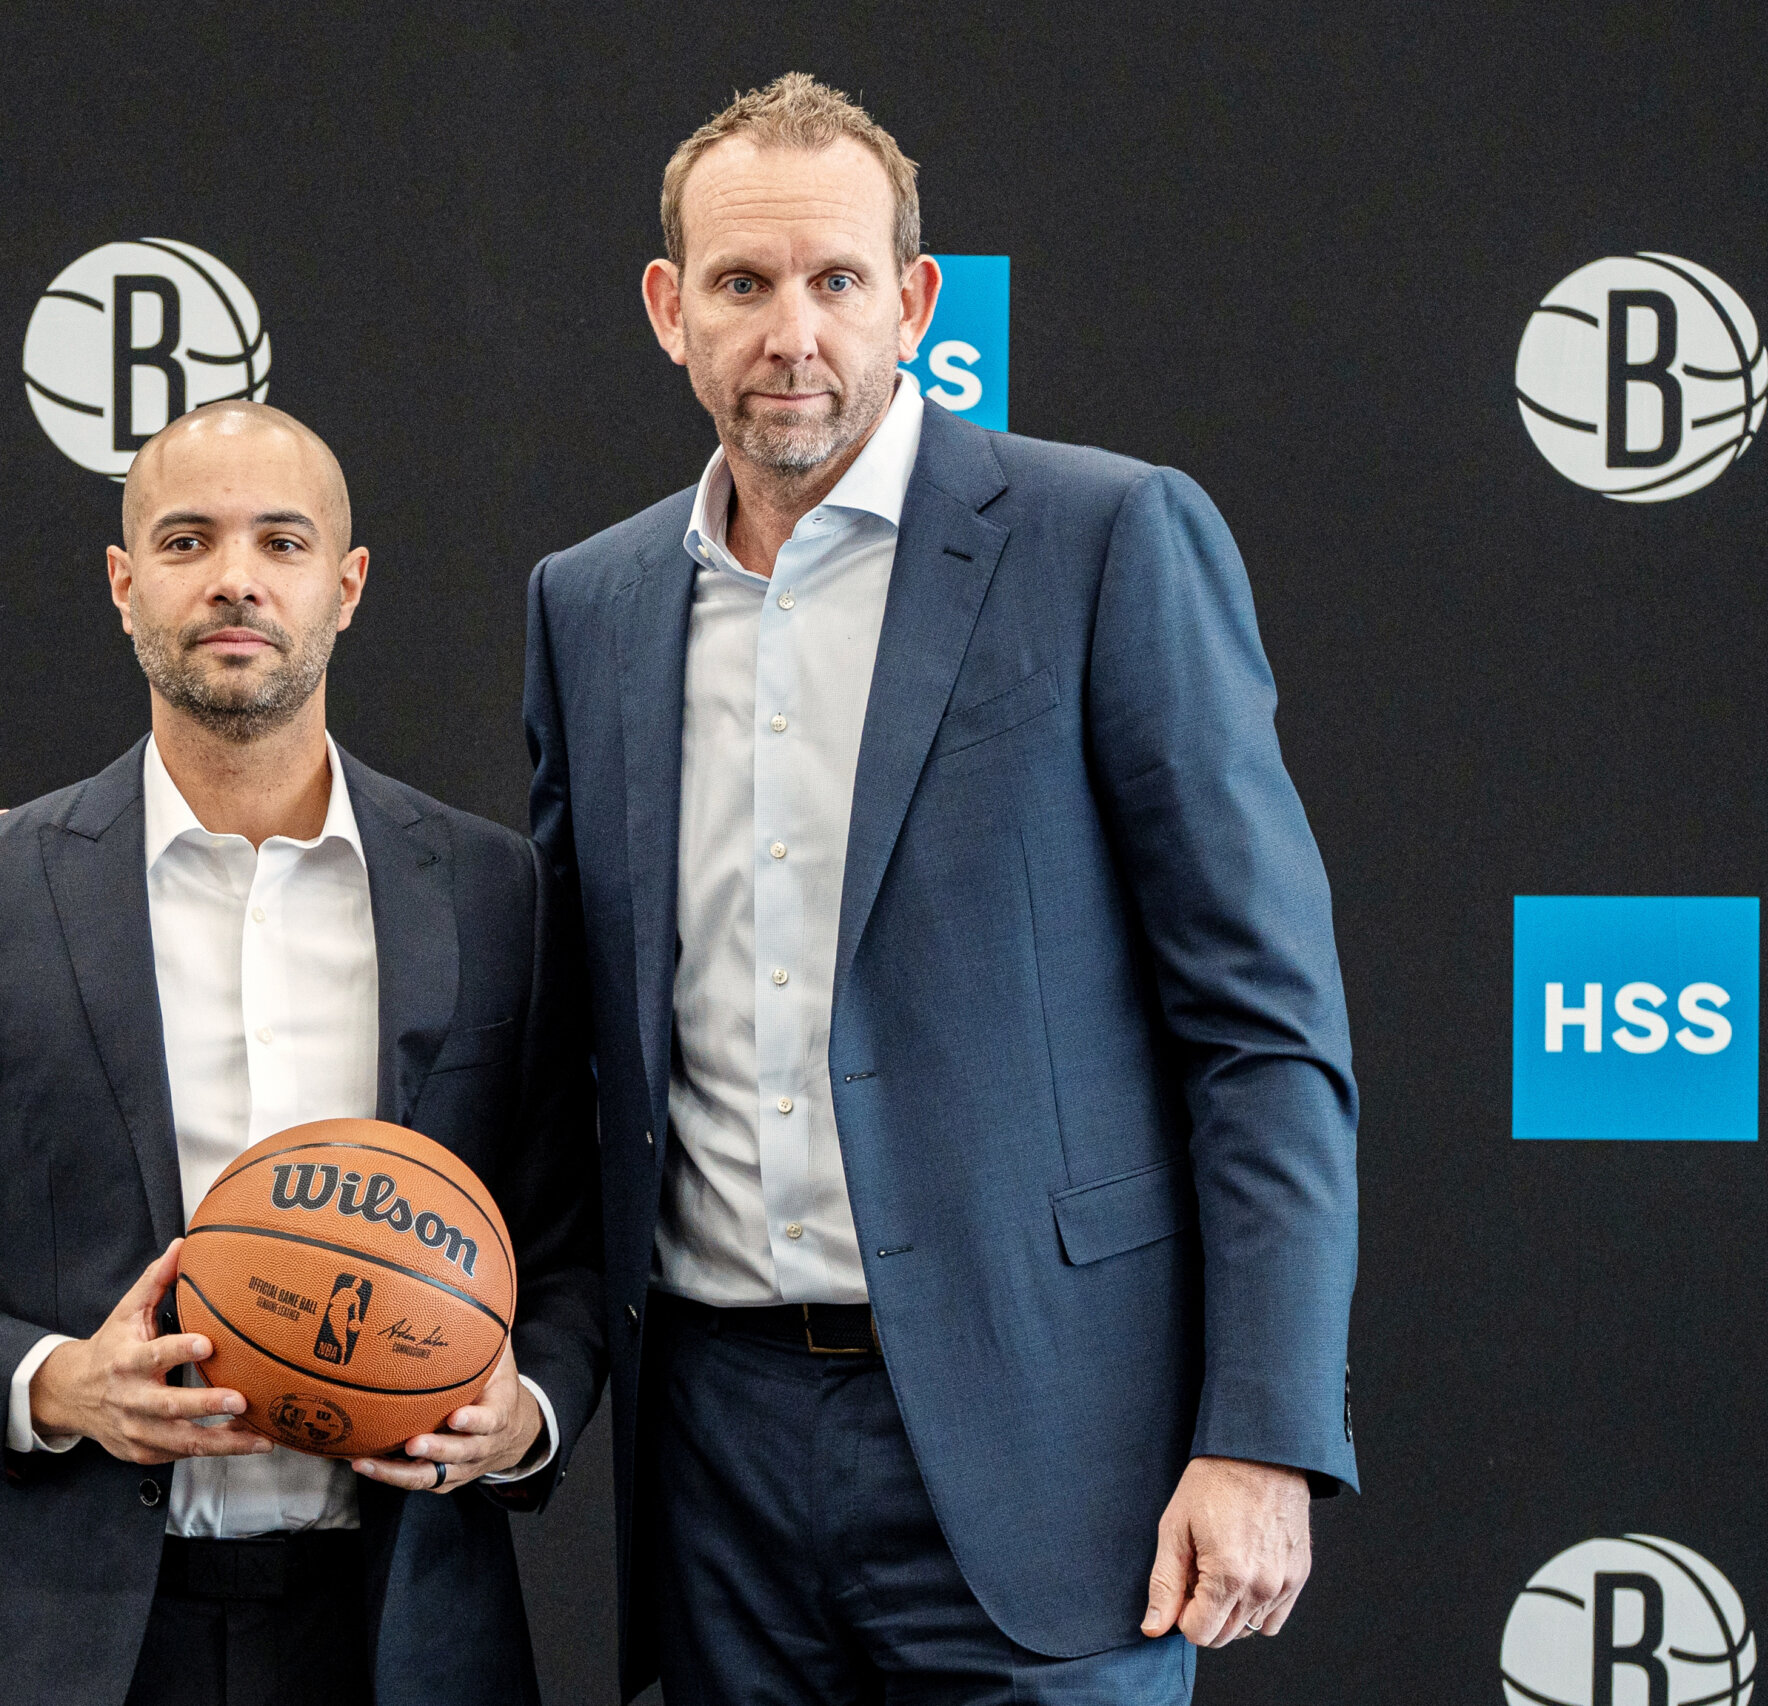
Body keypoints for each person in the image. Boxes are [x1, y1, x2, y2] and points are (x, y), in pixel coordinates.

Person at [521, 73, 1358, 1704]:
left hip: (1049, 1445)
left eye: (836, 281)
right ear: (666, 308)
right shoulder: (591, 601)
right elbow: (574, 1039)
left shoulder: (1104, 537)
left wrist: (1263, 1432)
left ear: (911, 301)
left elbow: (1264, 1027)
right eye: (743, 284)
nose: (791, 335)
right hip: (712, 1454)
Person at [0, 400, 603, 1706]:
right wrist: (59, 1383)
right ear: (125, 584)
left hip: (402, 1639)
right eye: (187, 539)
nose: (235, 576)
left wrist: (522, 1415)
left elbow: (568, 1251)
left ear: (347, 587)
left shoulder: (494, 893)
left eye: (281, 541)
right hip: (65, 1638)